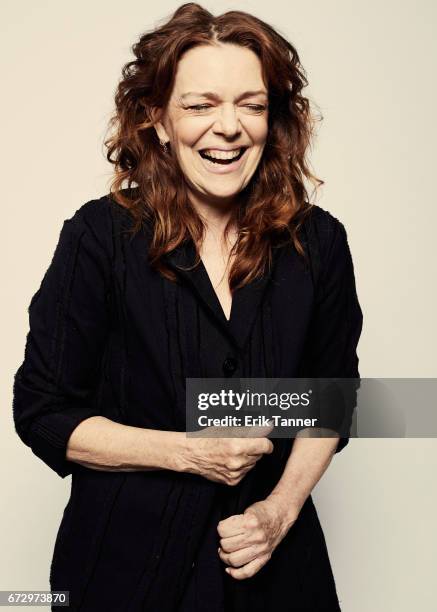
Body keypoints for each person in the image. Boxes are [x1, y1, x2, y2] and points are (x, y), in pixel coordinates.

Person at [12, 3, 363, 611]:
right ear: (158, 119)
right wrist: (189, 452)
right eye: (200, 105)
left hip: (278, 577)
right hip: (122, 575)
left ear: (272, 119)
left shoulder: (320, 242)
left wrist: (278, 513)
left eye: (251, 105)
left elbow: (332, 396)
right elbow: (43, 411)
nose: (228, 127)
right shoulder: (98, 238)